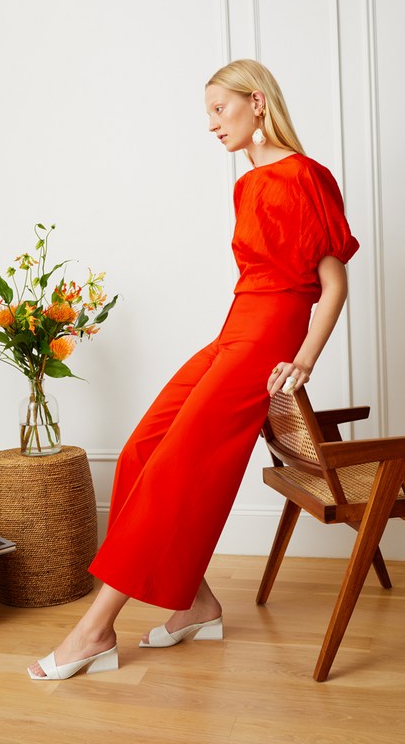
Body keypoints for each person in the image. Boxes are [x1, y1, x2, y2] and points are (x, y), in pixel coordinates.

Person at [28, 58, 359, 680]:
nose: (211, 124)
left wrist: (304, 358)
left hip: (267, 339)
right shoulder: (247, 184)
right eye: (207, 113)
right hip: (234, 329)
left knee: (175, 467)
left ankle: (95, 631)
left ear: (256, 102)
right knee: (141, 451)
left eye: (219, 109)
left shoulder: (307, 175)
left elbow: (334, 283)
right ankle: (198, 605)